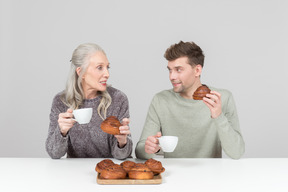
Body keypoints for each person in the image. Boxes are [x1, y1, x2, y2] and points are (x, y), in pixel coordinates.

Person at [135, 41, 245, 160]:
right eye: (170, 70)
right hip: (173, 174)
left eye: (178, 70)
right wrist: (150, 148)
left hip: (211, 175)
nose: (172, 76)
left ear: (197, 70)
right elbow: (140, 151)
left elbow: (237, 152)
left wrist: (218, 116)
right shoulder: (160, 100)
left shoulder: (221, 98)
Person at [46, 43, 132, 159]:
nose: (107, 74)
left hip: (108, 171)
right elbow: (54, 153)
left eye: (107, 67)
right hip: (74, 173)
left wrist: (122, 142)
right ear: (81, 72)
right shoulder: (61, 101)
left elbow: (122, 156)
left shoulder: (118, 99)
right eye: (99, 67)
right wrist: (62, 132)